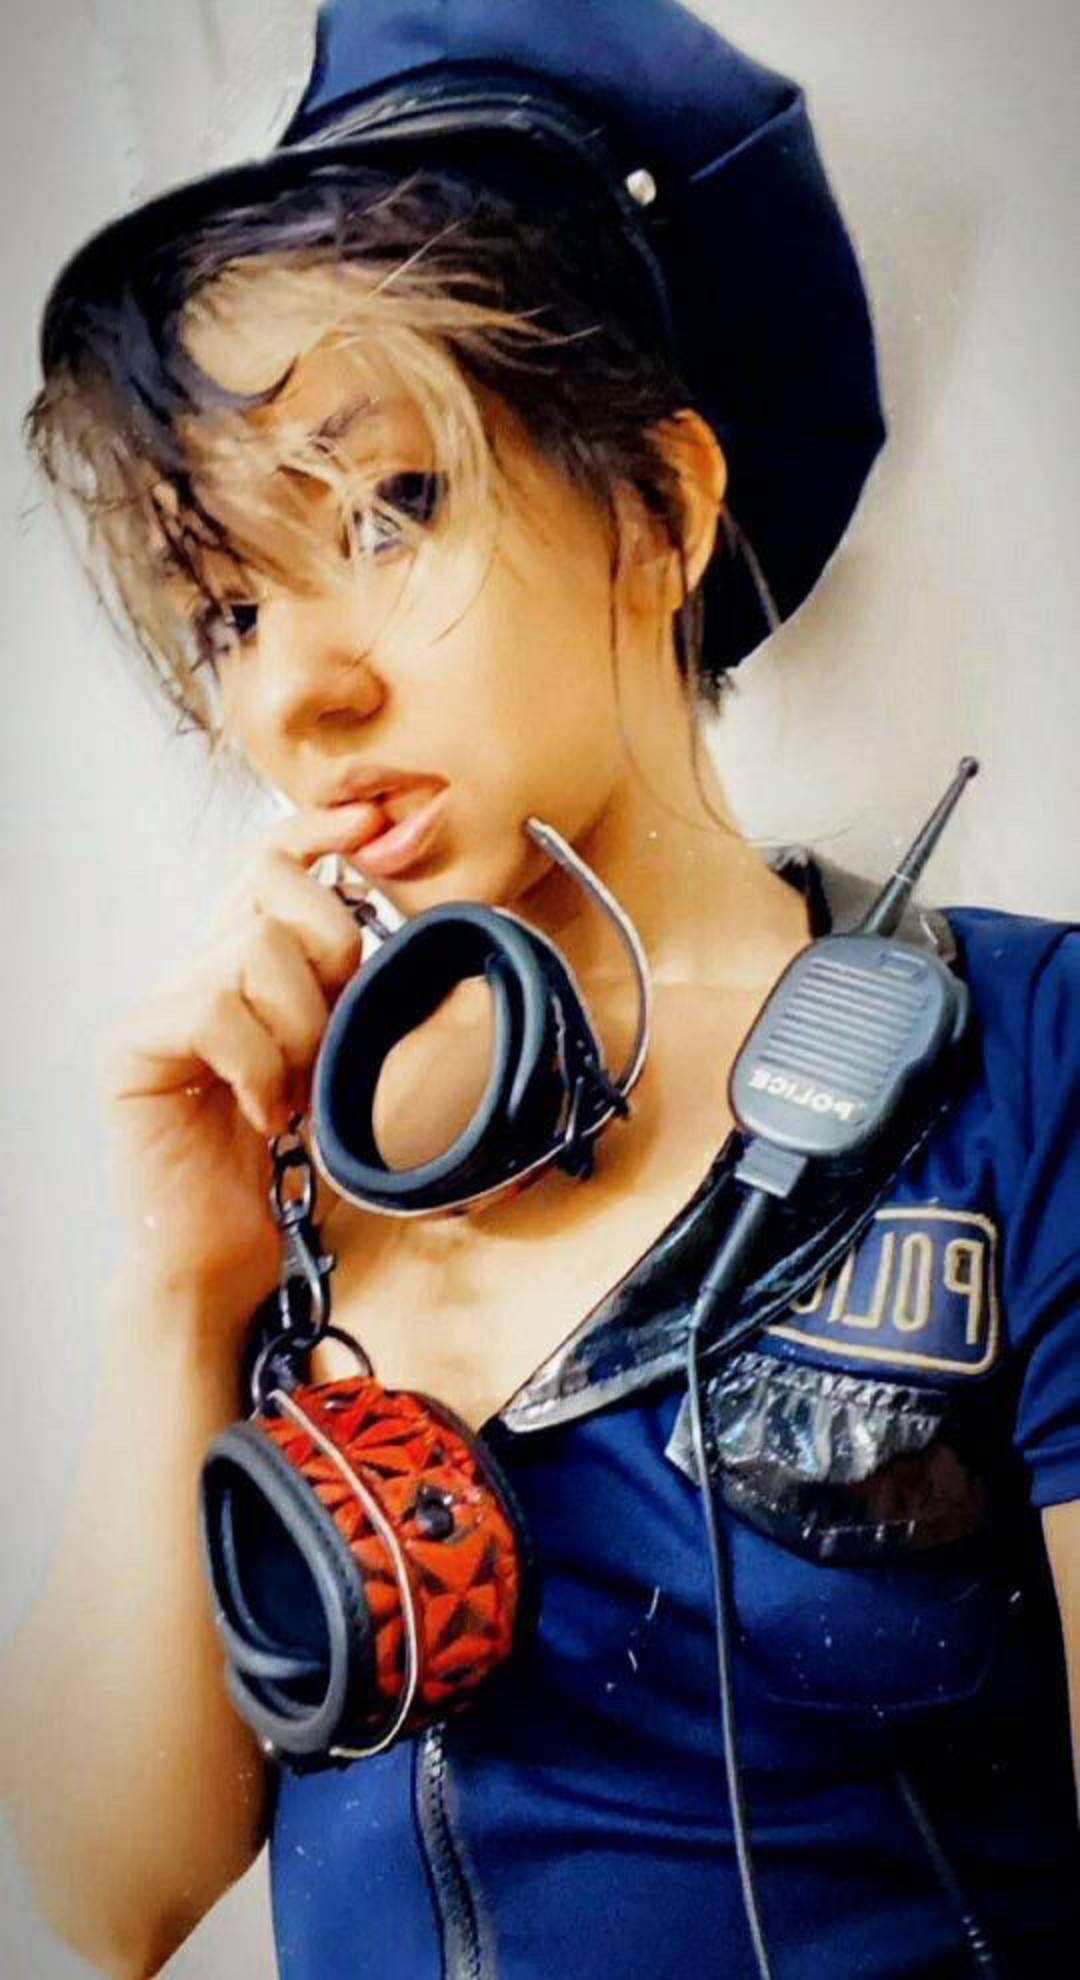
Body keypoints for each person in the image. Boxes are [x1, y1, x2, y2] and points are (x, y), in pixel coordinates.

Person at [1, 2, 1077, 1976]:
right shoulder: (289, 1139)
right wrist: (185, 1282)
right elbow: (106, 1893)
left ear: (658, 509)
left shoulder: (1033, 1060)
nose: (294, 693)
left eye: (388, 507)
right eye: (227, 607)